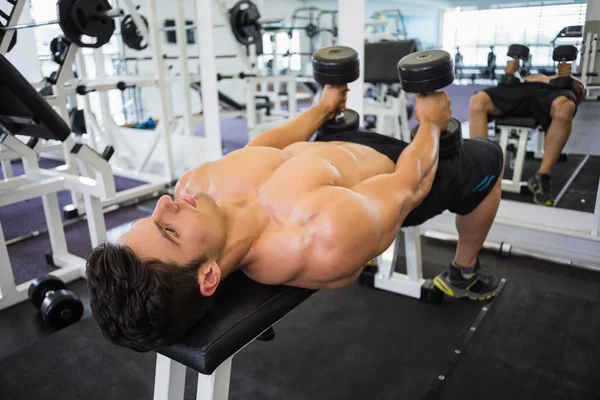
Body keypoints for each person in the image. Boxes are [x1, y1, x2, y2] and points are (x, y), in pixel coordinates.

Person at [86, 85, 505, 353]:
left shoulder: (194, 189)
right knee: (490, 159)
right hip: (401, 168)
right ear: (210, 276)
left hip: (334, 148)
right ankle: (464, 270)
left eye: (152, 215)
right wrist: (431, 123)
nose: (164, 202)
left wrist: (321, 109)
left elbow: (265, 146)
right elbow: (410, 185)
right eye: (168, 229)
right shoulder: (319, 237)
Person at [469, 62, 586, 206]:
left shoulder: (560, 71)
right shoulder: (525, 69)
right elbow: (513, 79)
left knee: (565, 107)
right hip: (519, 89)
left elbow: (581, 92)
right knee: (478, 100)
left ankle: (542, 176)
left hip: (551, 91)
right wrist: (512, 74)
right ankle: (482, 172)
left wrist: (568, 78)